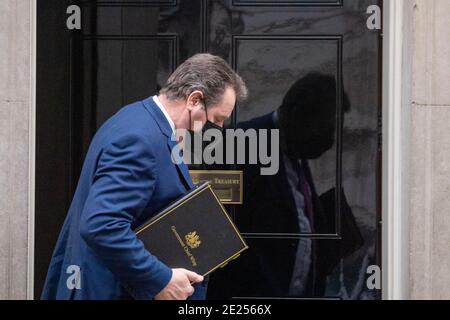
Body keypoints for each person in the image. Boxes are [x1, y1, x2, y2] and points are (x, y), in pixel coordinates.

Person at [41, 53, 248, 300]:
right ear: (194, 99)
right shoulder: (140, 138)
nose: (218, 129)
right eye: (216, 120)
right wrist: (161, 279)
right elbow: (102, 225)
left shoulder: (137, 118)